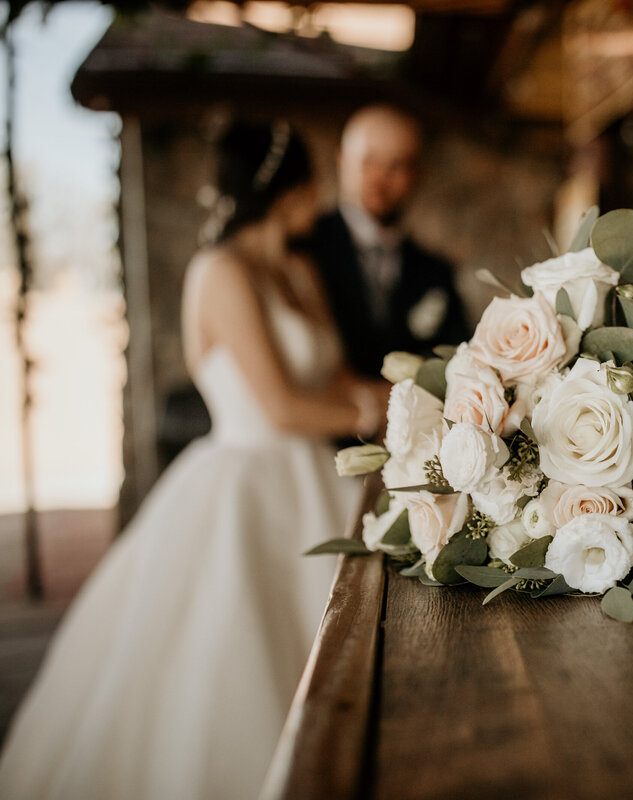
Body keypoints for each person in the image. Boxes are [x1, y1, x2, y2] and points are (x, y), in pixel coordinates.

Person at [0, 122, 384, 800]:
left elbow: (338, 379)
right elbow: (279, 407)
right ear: (292, 190)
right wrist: (370, 414)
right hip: (243, 479)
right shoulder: (221, 271)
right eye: (314, 181)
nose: (319, 195)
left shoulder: (301, 268)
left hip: (319, 479)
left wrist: (404, 396)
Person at [308, 103, 470, 379]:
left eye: (396, 165)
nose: (380, 179)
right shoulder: (307, 247)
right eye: (368, 162)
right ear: (342, 162)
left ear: (417, 175)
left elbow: (457, 359)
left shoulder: (436, 272)